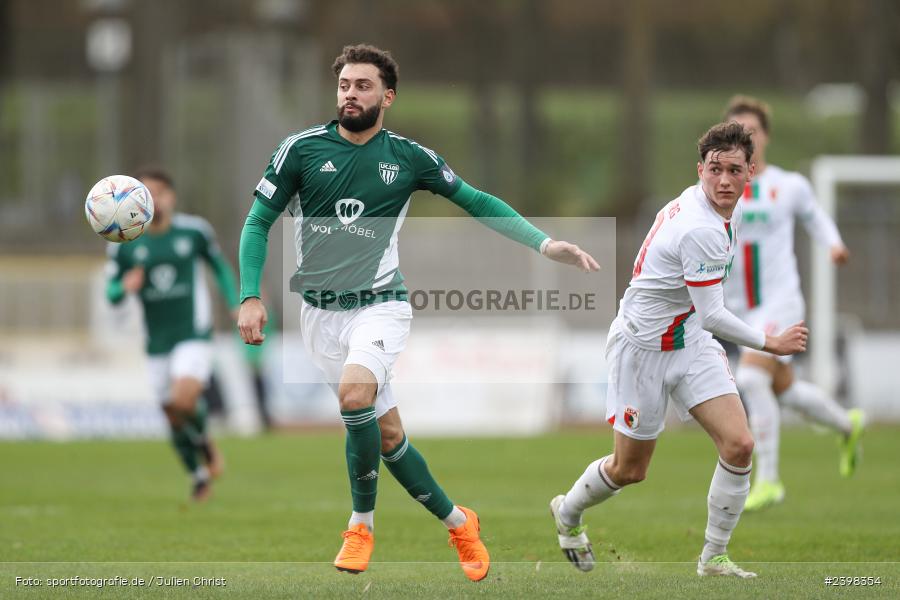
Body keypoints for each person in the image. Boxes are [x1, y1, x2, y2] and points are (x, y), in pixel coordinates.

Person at [237, 44, 599, 582]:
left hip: (380, 306)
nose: (350, 94)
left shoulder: (409, 158)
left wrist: (546, 245)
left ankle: (360, 526)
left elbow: (478, 201)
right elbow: (257, 222)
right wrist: (249, 294)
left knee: (353, 397)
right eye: (344, 85)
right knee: (386, 436)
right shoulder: (300, 150)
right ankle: (459, 522)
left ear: (388, 96)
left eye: (362, 86)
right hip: (318, 315)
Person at [550, 122, 808, 578]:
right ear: (699, 170)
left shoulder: (728, 208)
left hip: (689, 342)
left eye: (734, 170)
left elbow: (704, 312)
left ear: (751, 172)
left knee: (739, 444)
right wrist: (770, 340)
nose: (724, 180)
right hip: (642, 350)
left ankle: (713, 558)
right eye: (715, 170)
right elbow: (713, 313)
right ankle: (568, 514)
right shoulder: (699, 228)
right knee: (629, 470)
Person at [721, 96, 864, 511]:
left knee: (750, 381)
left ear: (765, 137)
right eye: (736, 133)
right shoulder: (720, 187)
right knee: (783, 391)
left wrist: (834, 245)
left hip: (780, 302)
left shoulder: (789, 186)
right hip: (739, 308)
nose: (745, 139)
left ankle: (768, 480)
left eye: (751, 132)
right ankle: (845, 424)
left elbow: (816, 216)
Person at [106, 166, 239, 501]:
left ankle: (202, 446)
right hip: (157, 340)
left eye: (159, 192)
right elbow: (111, 293)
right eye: (145, 194)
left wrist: (237, 301)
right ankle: (198, 469)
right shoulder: (124, 242)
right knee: (172, 414)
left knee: (183, 399)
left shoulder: (193, 232)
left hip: (192, 332)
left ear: (171, 196)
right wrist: (124, 287)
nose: (154, 200)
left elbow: (219, 268)